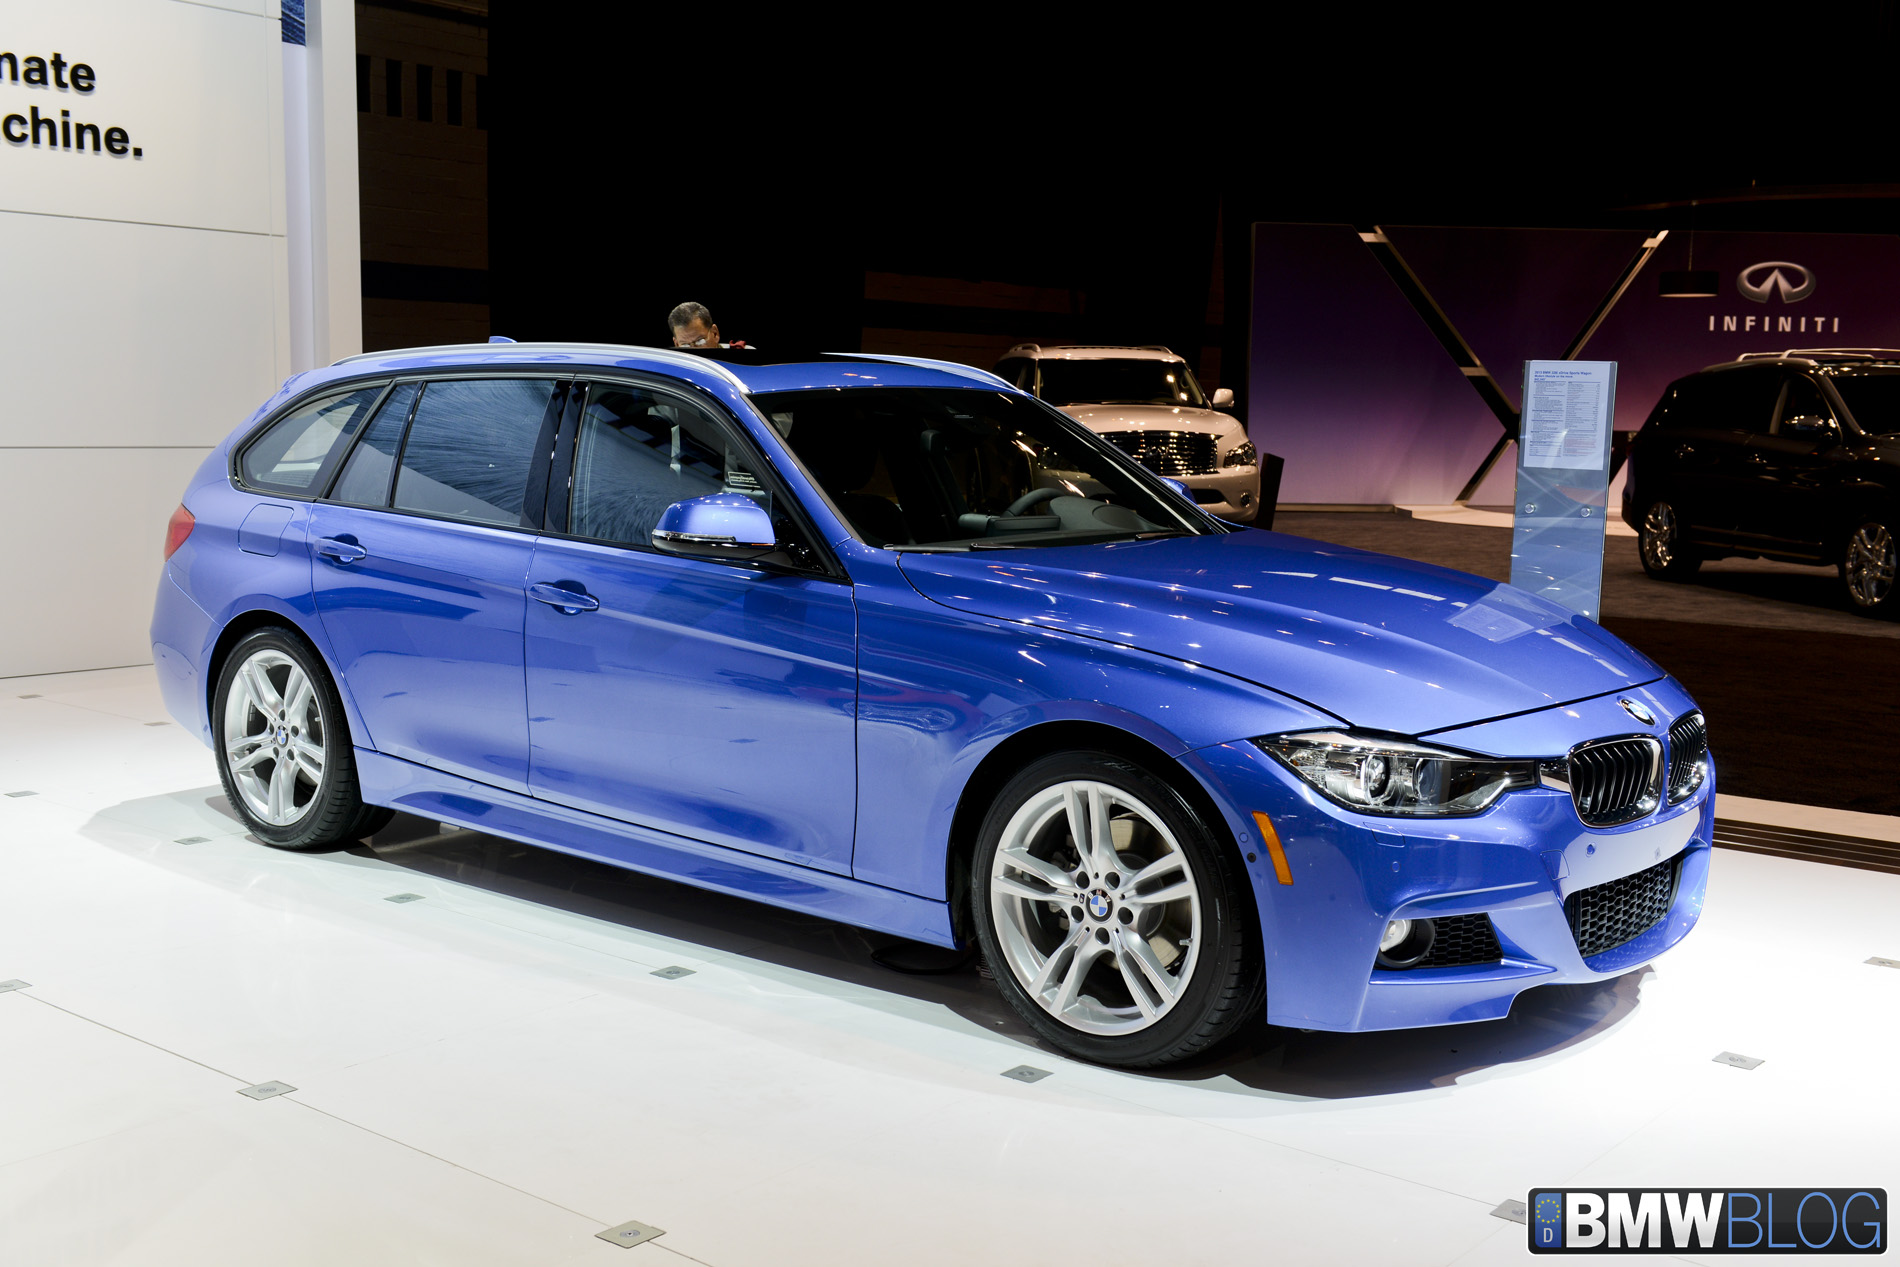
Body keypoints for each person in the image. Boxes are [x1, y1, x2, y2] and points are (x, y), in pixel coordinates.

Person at [667, 301, 749, 350]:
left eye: (700, 341)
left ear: (715, 333)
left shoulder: (746, 358)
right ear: (676, 344)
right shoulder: (669, 370)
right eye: (685, 345)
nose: (694, 349)